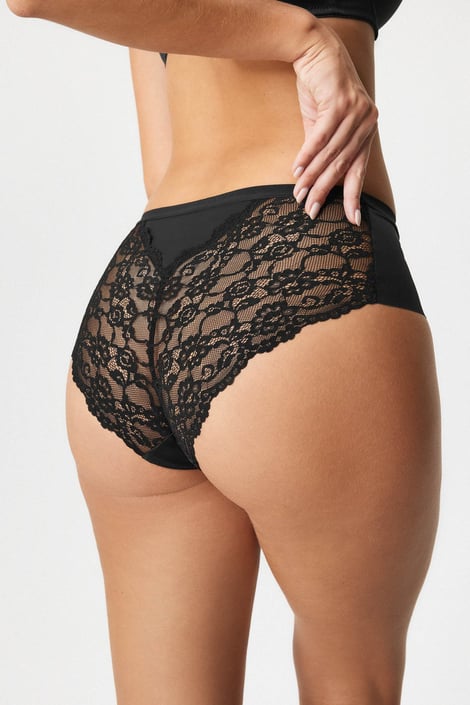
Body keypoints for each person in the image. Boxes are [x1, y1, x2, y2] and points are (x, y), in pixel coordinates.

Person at [8, 0, 442, 703]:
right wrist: (305, 40)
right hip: (304, 261)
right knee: (353, 677)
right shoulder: (305, 46)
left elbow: (160, 162)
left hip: (141, 291)